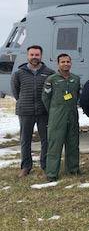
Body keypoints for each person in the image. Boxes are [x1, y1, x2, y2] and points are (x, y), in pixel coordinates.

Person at [11, 44, 54, 177]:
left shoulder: (49, 73)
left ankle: (46, 165)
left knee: (46, 139)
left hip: (43, 112)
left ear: (41, 56)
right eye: (32, 55)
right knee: (25, 140)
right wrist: (25, 102)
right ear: (27, 55)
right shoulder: (19, 73)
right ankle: (26, 167)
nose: (34, 57)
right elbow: (16, 92)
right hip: (25, 111)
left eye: (37, 55)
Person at [42, 53, 80, 181]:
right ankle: (52, 173)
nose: (66, 64)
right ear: (58, 64)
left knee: (73, 144)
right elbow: (45, 98)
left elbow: (77, 96)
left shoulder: (75, 79)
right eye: (63, 62)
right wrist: (54, 111)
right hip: (57, 117)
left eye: (68, 62)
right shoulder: (51, 79)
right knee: (55, 145)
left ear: (71, 63)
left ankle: (73, 169)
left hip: (72, 116)